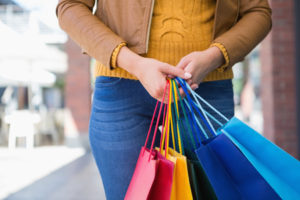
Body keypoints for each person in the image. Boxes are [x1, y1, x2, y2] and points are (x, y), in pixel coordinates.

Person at [56, 0, 272, 199]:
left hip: (204, 89)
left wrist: (214, 56)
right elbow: (70, 6)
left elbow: (258, 12)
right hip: (121, 88)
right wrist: (134, 64)